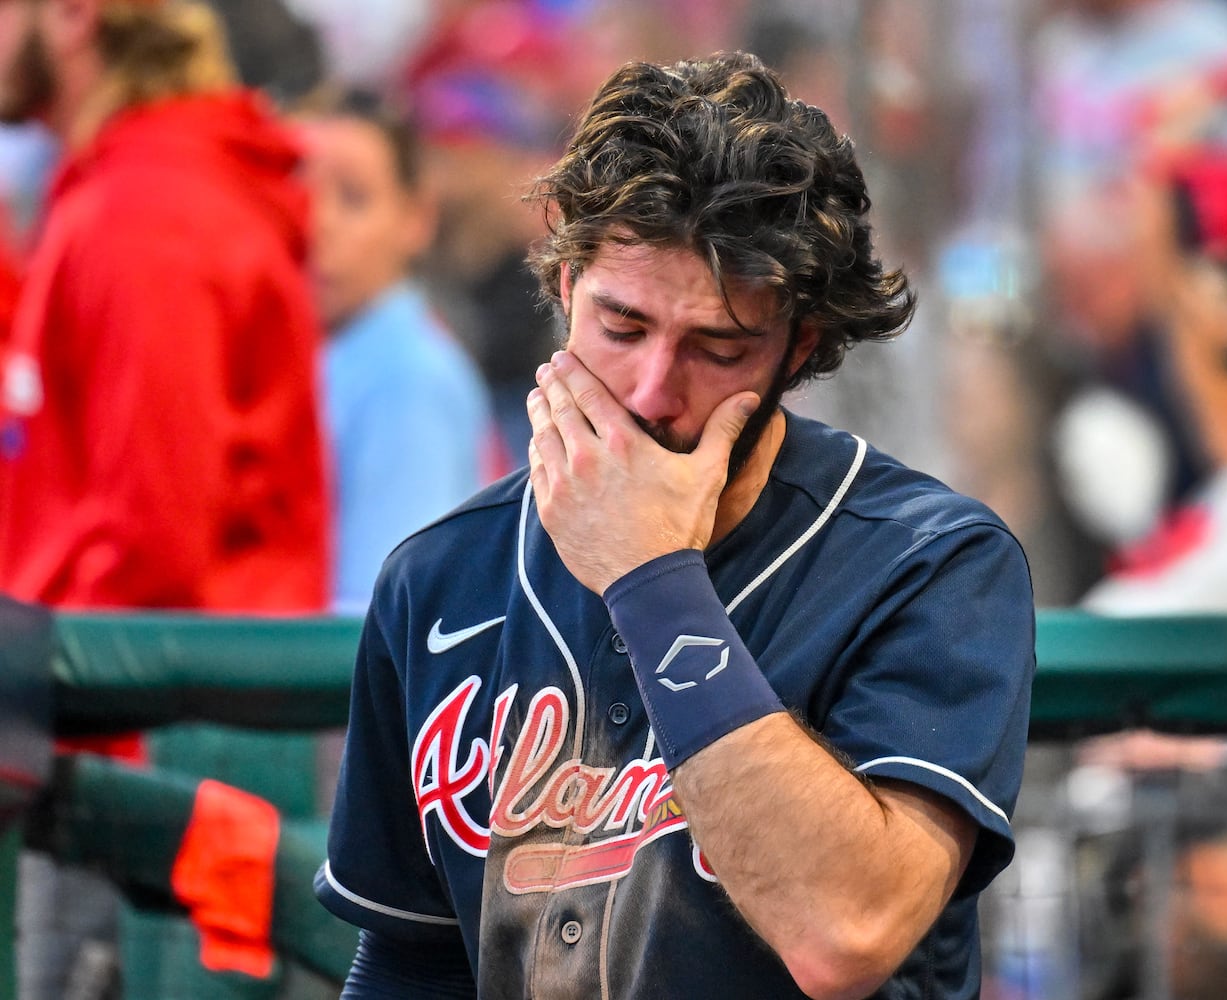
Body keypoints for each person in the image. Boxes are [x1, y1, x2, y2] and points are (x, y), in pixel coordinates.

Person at [316, 51, 1037, 999]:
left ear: (798, 349)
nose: (654, 392)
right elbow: (411, 964)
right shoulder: (440, 575)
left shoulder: (931, 563)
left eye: (719, 347)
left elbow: (846, 935)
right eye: (621, 328)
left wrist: (651, 575)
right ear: (566, 285)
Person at [0, 1, 329, 996]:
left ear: (73, 14)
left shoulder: (145, 209)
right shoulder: (121, 187)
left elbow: (155, 546)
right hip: (154, 738)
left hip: (150, 748)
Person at [301, 89, 500, 613]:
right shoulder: (329, 357)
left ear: (416, 217)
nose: (316, 223)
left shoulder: (406, 379)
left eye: (353, 197)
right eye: (296, 189)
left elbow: (384, 620)